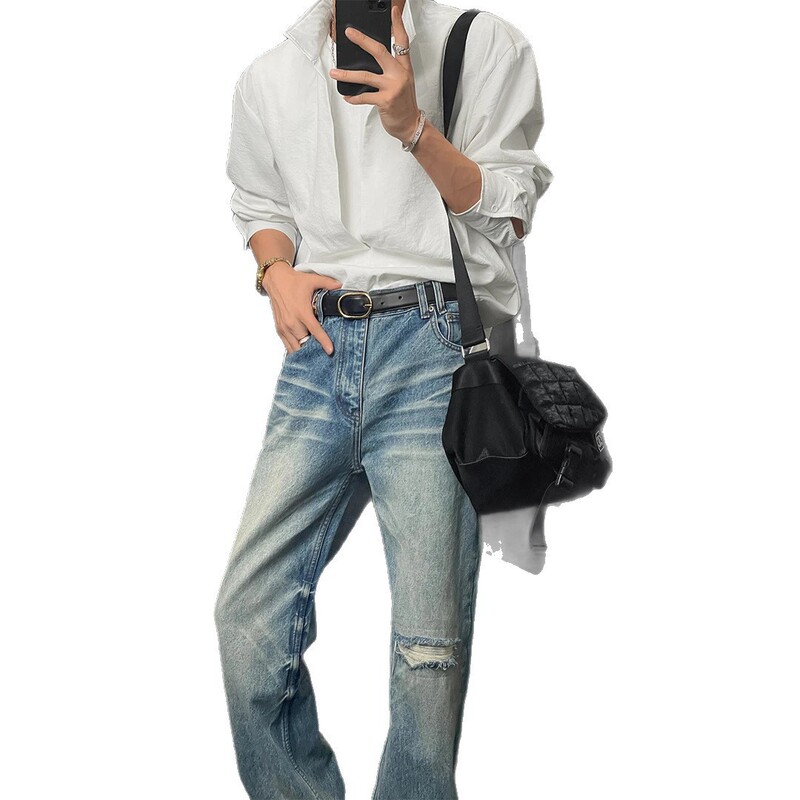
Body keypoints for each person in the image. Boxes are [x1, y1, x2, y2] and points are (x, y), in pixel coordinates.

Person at [214, 0, 553, 797]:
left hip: (433, 343)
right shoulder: (270, 75)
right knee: (246, 618)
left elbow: (510, 206)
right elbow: (261, 206)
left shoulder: (482, 44)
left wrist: (413, 126)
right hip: (320, 350)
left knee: (427, 650)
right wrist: (275, 273)